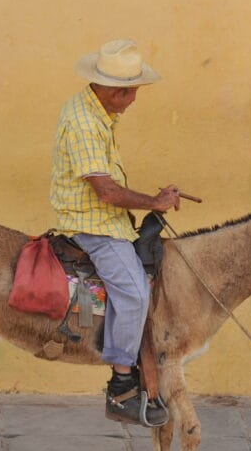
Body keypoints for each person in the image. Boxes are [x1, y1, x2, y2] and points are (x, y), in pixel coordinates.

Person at [50, 39, 181, 425]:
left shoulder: (91, 108)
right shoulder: (85, 123)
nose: (133, 99)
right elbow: (106, 192)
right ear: (112, 89)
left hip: (106, 218)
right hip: (91, 223)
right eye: (130, 92)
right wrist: (155, 202)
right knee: (135, 292)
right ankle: (121, 384)